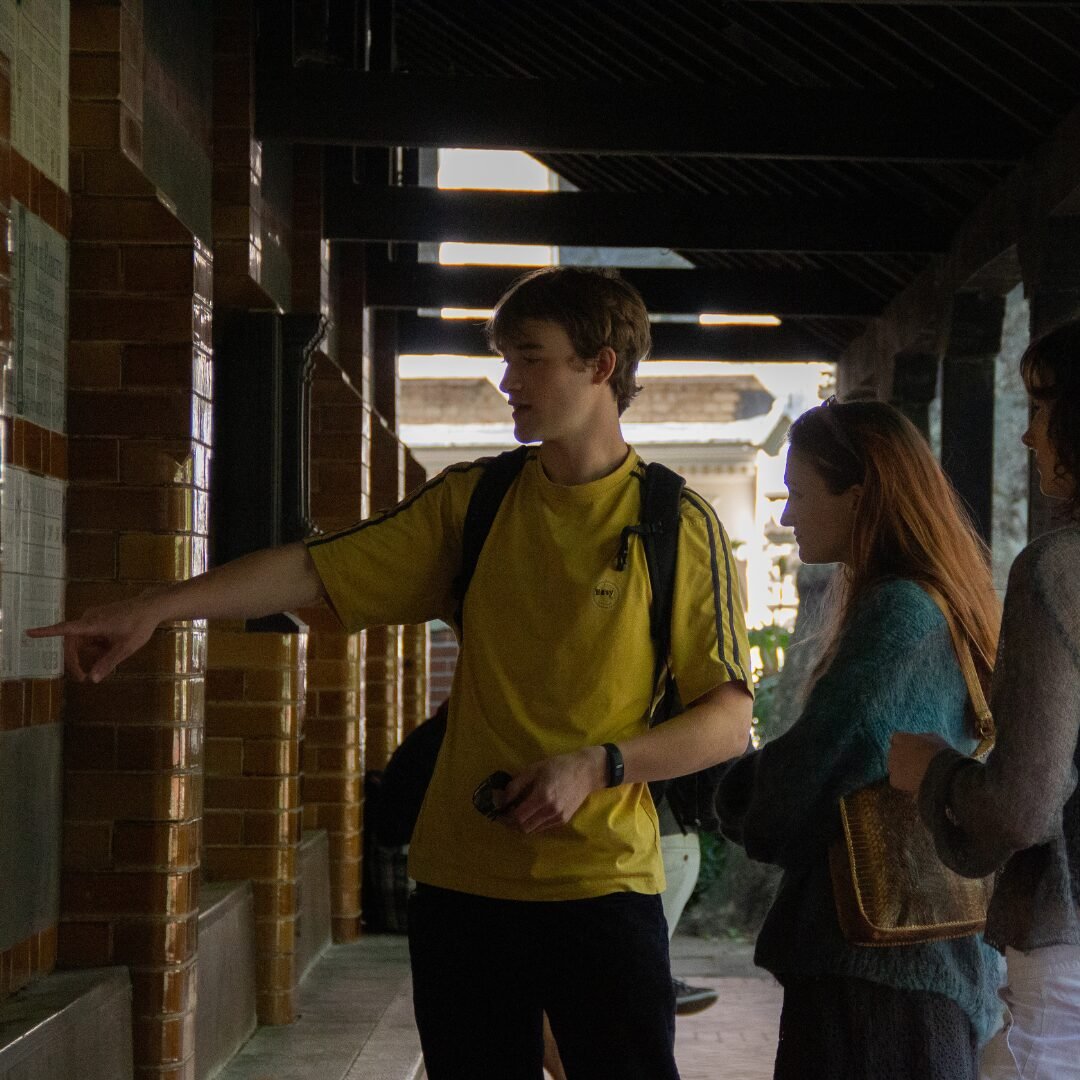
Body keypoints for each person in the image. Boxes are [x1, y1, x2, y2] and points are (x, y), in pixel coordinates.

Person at [36, 266, 753, 1080]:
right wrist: (158, 606)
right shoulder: (473, 503)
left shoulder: (674, 523)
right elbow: (314, 571)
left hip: (602, 889)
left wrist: (600, 764)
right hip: (462, 891)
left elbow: (729, 721)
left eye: (529, 357)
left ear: (601, 366)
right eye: (504, 359)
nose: (505, 380)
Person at [714, 398, 1004, 1080]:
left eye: (800, 493)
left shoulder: (900, 611)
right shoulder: (942, 599)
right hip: (922, 968)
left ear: (860, 494)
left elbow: (809, 774)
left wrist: (729, 791)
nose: (787, 517)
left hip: (877, 977)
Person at [890, 320, 1080, 1080]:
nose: (1030, 437)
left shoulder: (1057, 574)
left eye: (1041, 408)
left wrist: (932, 772)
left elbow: (1022, 806)